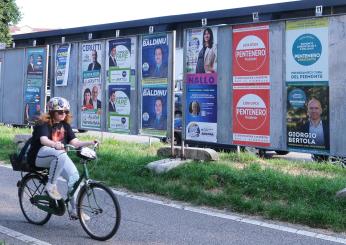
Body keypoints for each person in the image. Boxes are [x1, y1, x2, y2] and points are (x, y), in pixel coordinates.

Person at [27, 97, 96, 218]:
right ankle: (51, 186)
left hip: (59, 157)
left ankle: (75, 210)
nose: (64, 114)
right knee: (60, 154)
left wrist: (89, 142)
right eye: (60, 112)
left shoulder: (65, 125)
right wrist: (55, 144)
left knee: (74, 177)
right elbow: (43, 140)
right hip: (39, 156)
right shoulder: (43, 123)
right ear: (52, 112)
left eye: (66, 111)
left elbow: (75, 142)